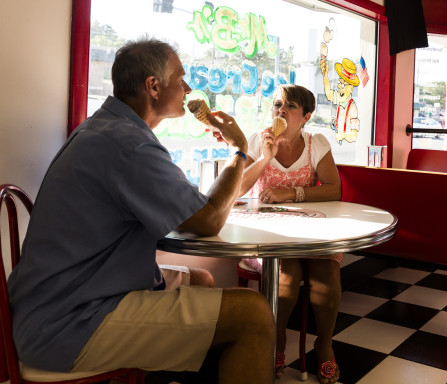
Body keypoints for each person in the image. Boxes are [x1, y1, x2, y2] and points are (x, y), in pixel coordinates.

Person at [8, 39, 275, 383]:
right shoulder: (129, 145)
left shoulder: (106, 127)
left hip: (53, 298)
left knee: (202, 280)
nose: (188, 88)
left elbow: (190, 207)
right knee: (253, 315)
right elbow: (208, 220)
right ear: (153, 86)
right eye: (181, 79)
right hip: (69, 322)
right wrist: (239, 149)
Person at [239, 84, 342, 384]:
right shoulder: (258, 140)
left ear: (306, 116)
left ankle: (324, 345)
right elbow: (239, 188)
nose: (280, 111)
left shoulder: (316, 143)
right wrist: (263, 157)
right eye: (277, 105)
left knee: (328, 273)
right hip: (267, 233)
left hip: (307, 232)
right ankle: (277, 340)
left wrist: (291, 194)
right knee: (286, 274)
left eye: (290, 106)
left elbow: (334, 189)